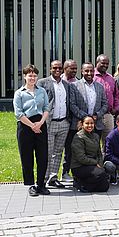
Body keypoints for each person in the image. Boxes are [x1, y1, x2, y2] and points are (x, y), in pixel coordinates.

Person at [13, 64, 50, 196]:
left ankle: (41, 184)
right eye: (30, 75)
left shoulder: (42, 91)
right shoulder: (19, 93)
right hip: (25, 127)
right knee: (27, 157)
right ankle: (31, 185)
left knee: (42, 156)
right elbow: (18, 113)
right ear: (24, 76)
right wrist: (32, 126)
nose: (32, 77)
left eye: (34, 75)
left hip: (41, 125)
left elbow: (46, 108)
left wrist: (39, 123)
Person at [37, 60, 71, 188]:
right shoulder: (42, 83)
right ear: (50, 69)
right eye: (55, 68)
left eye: (60, 68)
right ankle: (43, 178)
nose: (57, 70)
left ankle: (53, 177)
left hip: (63, 122)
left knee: (58, 152)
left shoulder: (66, 84)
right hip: (49, 123)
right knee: (47, 151)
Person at [71, 115, 109, 192]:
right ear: (82, 124)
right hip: (79, 166)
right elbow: (81, 158)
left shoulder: (96, 136)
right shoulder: (78, 137)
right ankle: (80, 183)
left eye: (91, 123)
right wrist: (95, 163)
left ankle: (86, 184)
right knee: (101, 174)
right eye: (87, 123)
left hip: (93, 166)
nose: (89, 125)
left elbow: (99, 153)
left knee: (105, 187)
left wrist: (100, 164)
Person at [70, 62, 108, 137]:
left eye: (91, 71)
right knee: (78, 147)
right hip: (79, 124)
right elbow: (72, 105)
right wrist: (85, 117)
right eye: (86, 71)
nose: (89, 73)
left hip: (96, 124)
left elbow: (105, 104)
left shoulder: (100, 86)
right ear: (82, 71)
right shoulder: (74, 86)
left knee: (95, 147)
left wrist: (97, 115)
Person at [94, 54, 119, 151]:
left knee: (108, 142)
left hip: (108, 115)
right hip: (95, 115)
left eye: (107, 63)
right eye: (103, 63)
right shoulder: (91, 76)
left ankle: (105, 164)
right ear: (97, 63)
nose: (105, 65)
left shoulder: (111, 78)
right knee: (94, 141)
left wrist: (116, 108)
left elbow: (116, 95)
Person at [61, 59, 78, 182]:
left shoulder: (77, 82)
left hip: (73, 122)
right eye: (72, 68)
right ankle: (50, 175)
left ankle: (66, 172)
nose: (74, 70)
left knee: (70, 148)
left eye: (75, 68)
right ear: (65, 68)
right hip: (60, 120)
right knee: (55, 150)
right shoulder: (59, 81)